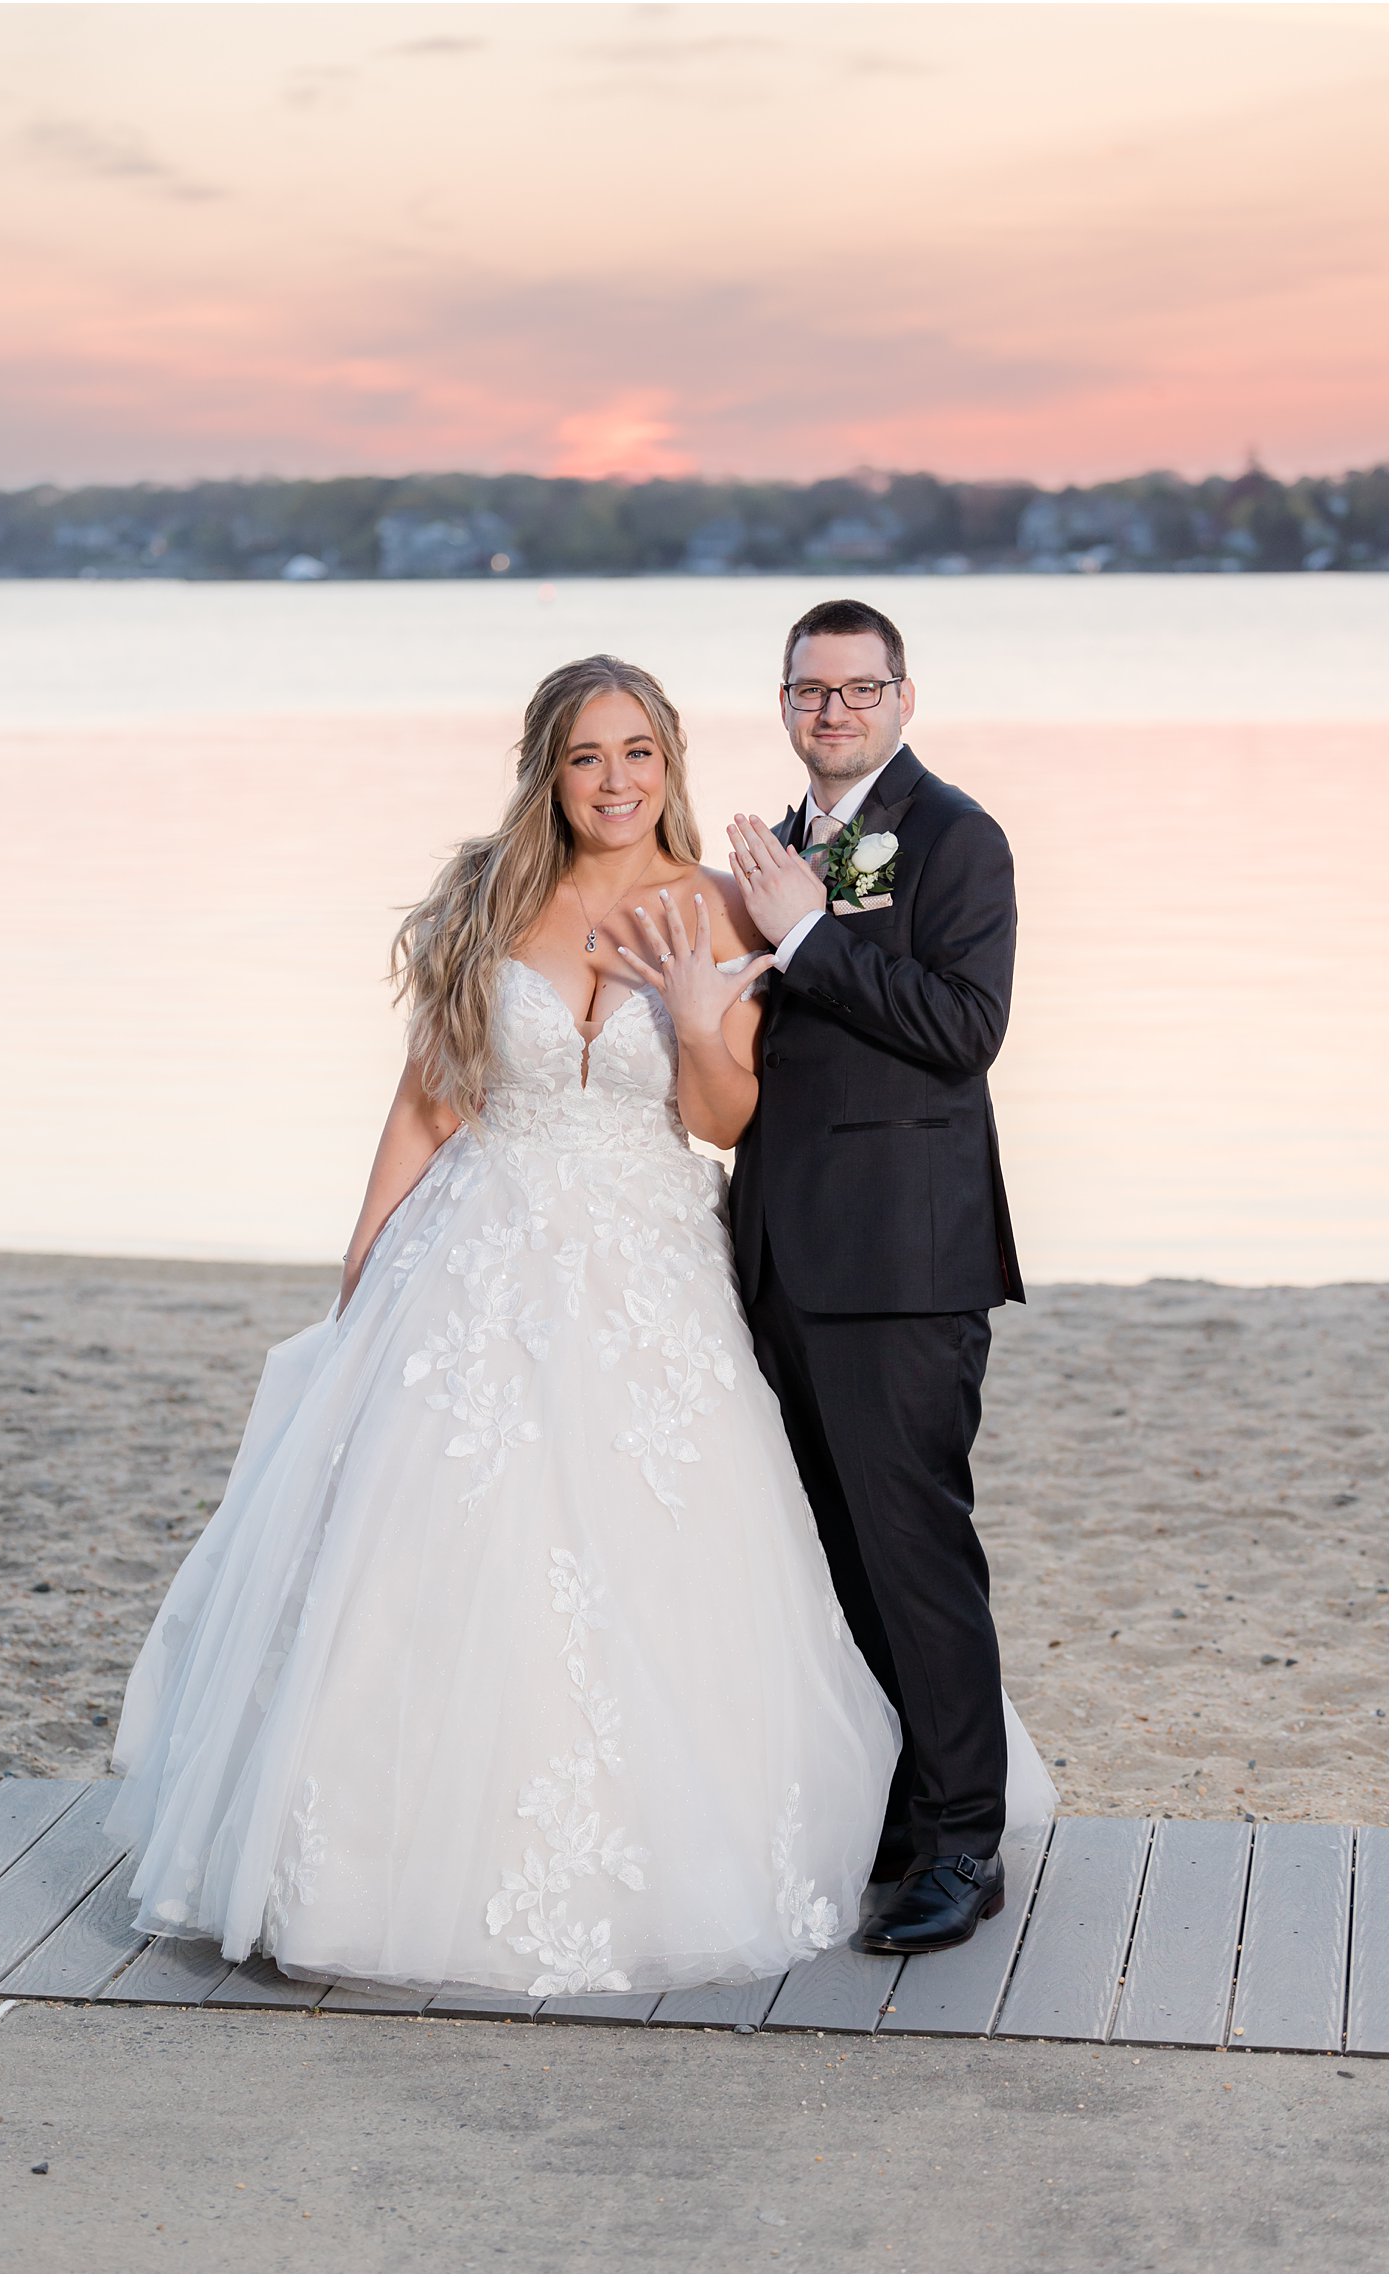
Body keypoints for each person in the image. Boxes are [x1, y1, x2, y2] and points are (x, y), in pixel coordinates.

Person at [106, 654, 908, 1996]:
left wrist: (706, 1007)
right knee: (437, 1539)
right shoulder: (496, 898)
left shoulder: (715, 903)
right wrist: (364, 1252)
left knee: (664, 1548)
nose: (616, 780)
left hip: (648, 1259)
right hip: (479, 1247)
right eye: (588, 755)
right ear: (549, 769)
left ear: (671, 764)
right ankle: (368, 1862)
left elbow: (720, 1119)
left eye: (638, 752)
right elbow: (432, 1100)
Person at [727, 596, 1050, 1956]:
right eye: (811, 690)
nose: (834, 710)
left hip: (906, 1266)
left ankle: (965, 1841)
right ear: (786, 701)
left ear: (904, 698)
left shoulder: (958, 839)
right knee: (839, 1555)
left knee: (917, 1551)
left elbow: (965, 1030)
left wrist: (808, 940)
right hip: (785, 1258)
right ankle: (905, 1813)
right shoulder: (780, 844)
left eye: (860, 689)